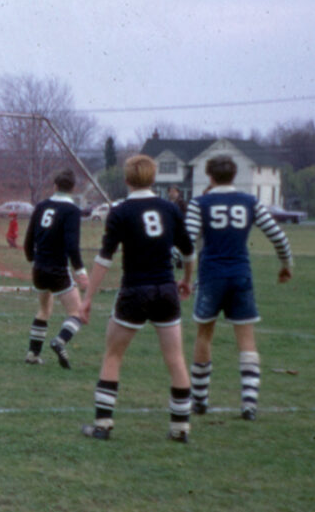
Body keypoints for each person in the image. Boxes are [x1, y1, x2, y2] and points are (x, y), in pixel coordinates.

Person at [79, 155, 196, 442]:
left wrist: (87, 298)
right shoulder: (170, 208)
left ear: (127, 179)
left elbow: (104, 259)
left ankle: (103, 425)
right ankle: (180, 428)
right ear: (154, 179)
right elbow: (189, 252)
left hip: (135, 290)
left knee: (113, 354)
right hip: (166, 290)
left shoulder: (120, 212)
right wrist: (187, 280)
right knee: (176, 359)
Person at [184, 155, 294, 421]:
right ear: (234, 176)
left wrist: (184, 274)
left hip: (211, 276)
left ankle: (200, 400)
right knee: (246, 339)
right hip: (240, 274)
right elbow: (278, 236)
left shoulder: (200, 202)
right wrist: (285, 264)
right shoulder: (250, 201)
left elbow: (187, 242)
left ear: (209, 176)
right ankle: (249, 404)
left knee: (204, 335)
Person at [22, 170, 89, 367]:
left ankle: (33, 355)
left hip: (39, 268)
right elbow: (71, 245)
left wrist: (32, 260)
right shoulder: (72, 211)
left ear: (55, 186)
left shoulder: (42, 206)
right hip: (58, 269)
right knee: (76, 312)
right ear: (73, 189)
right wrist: (81, 271)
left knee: (43, 311)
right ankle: (60, 341)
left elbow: (28, 238)